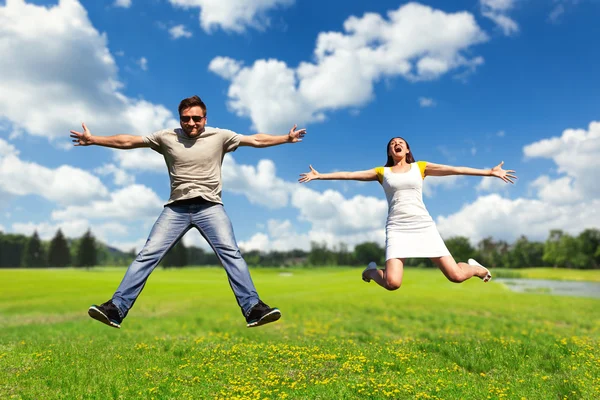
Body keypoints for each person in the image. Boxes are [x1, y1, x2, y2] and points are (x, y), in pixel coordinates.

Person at [70, 95, 306, 328]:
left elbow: (255, 140)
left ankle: (253, 308)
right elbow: (129, 141)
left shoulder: (220, 136)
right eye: (186, 119)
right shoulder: (166, 136)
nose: (191, 123)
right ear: (180, 119)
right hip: (176, 209)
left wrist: (285, 138)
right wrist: (94, 140)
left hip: (210, 207)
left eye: (196, 119)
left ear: (205, 118)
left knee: (231, 255)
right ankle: (116, 308)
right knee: (147, 255)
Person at [298, 136, 516, 291]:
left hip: (423, 225)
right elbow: (350, 174)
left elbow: (454, 169)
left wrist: (489, 172)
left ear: (408, 150)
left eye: (400, 142)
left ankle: (476, 269)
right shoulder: (382, 172)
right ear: (390, 153)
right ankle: (371, 271)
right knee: (392, 283)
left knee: (456, 276)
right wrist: (320, 176)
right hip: (397, 228)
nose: (396, 144)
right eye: (392, 144)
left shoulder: (420, 167)